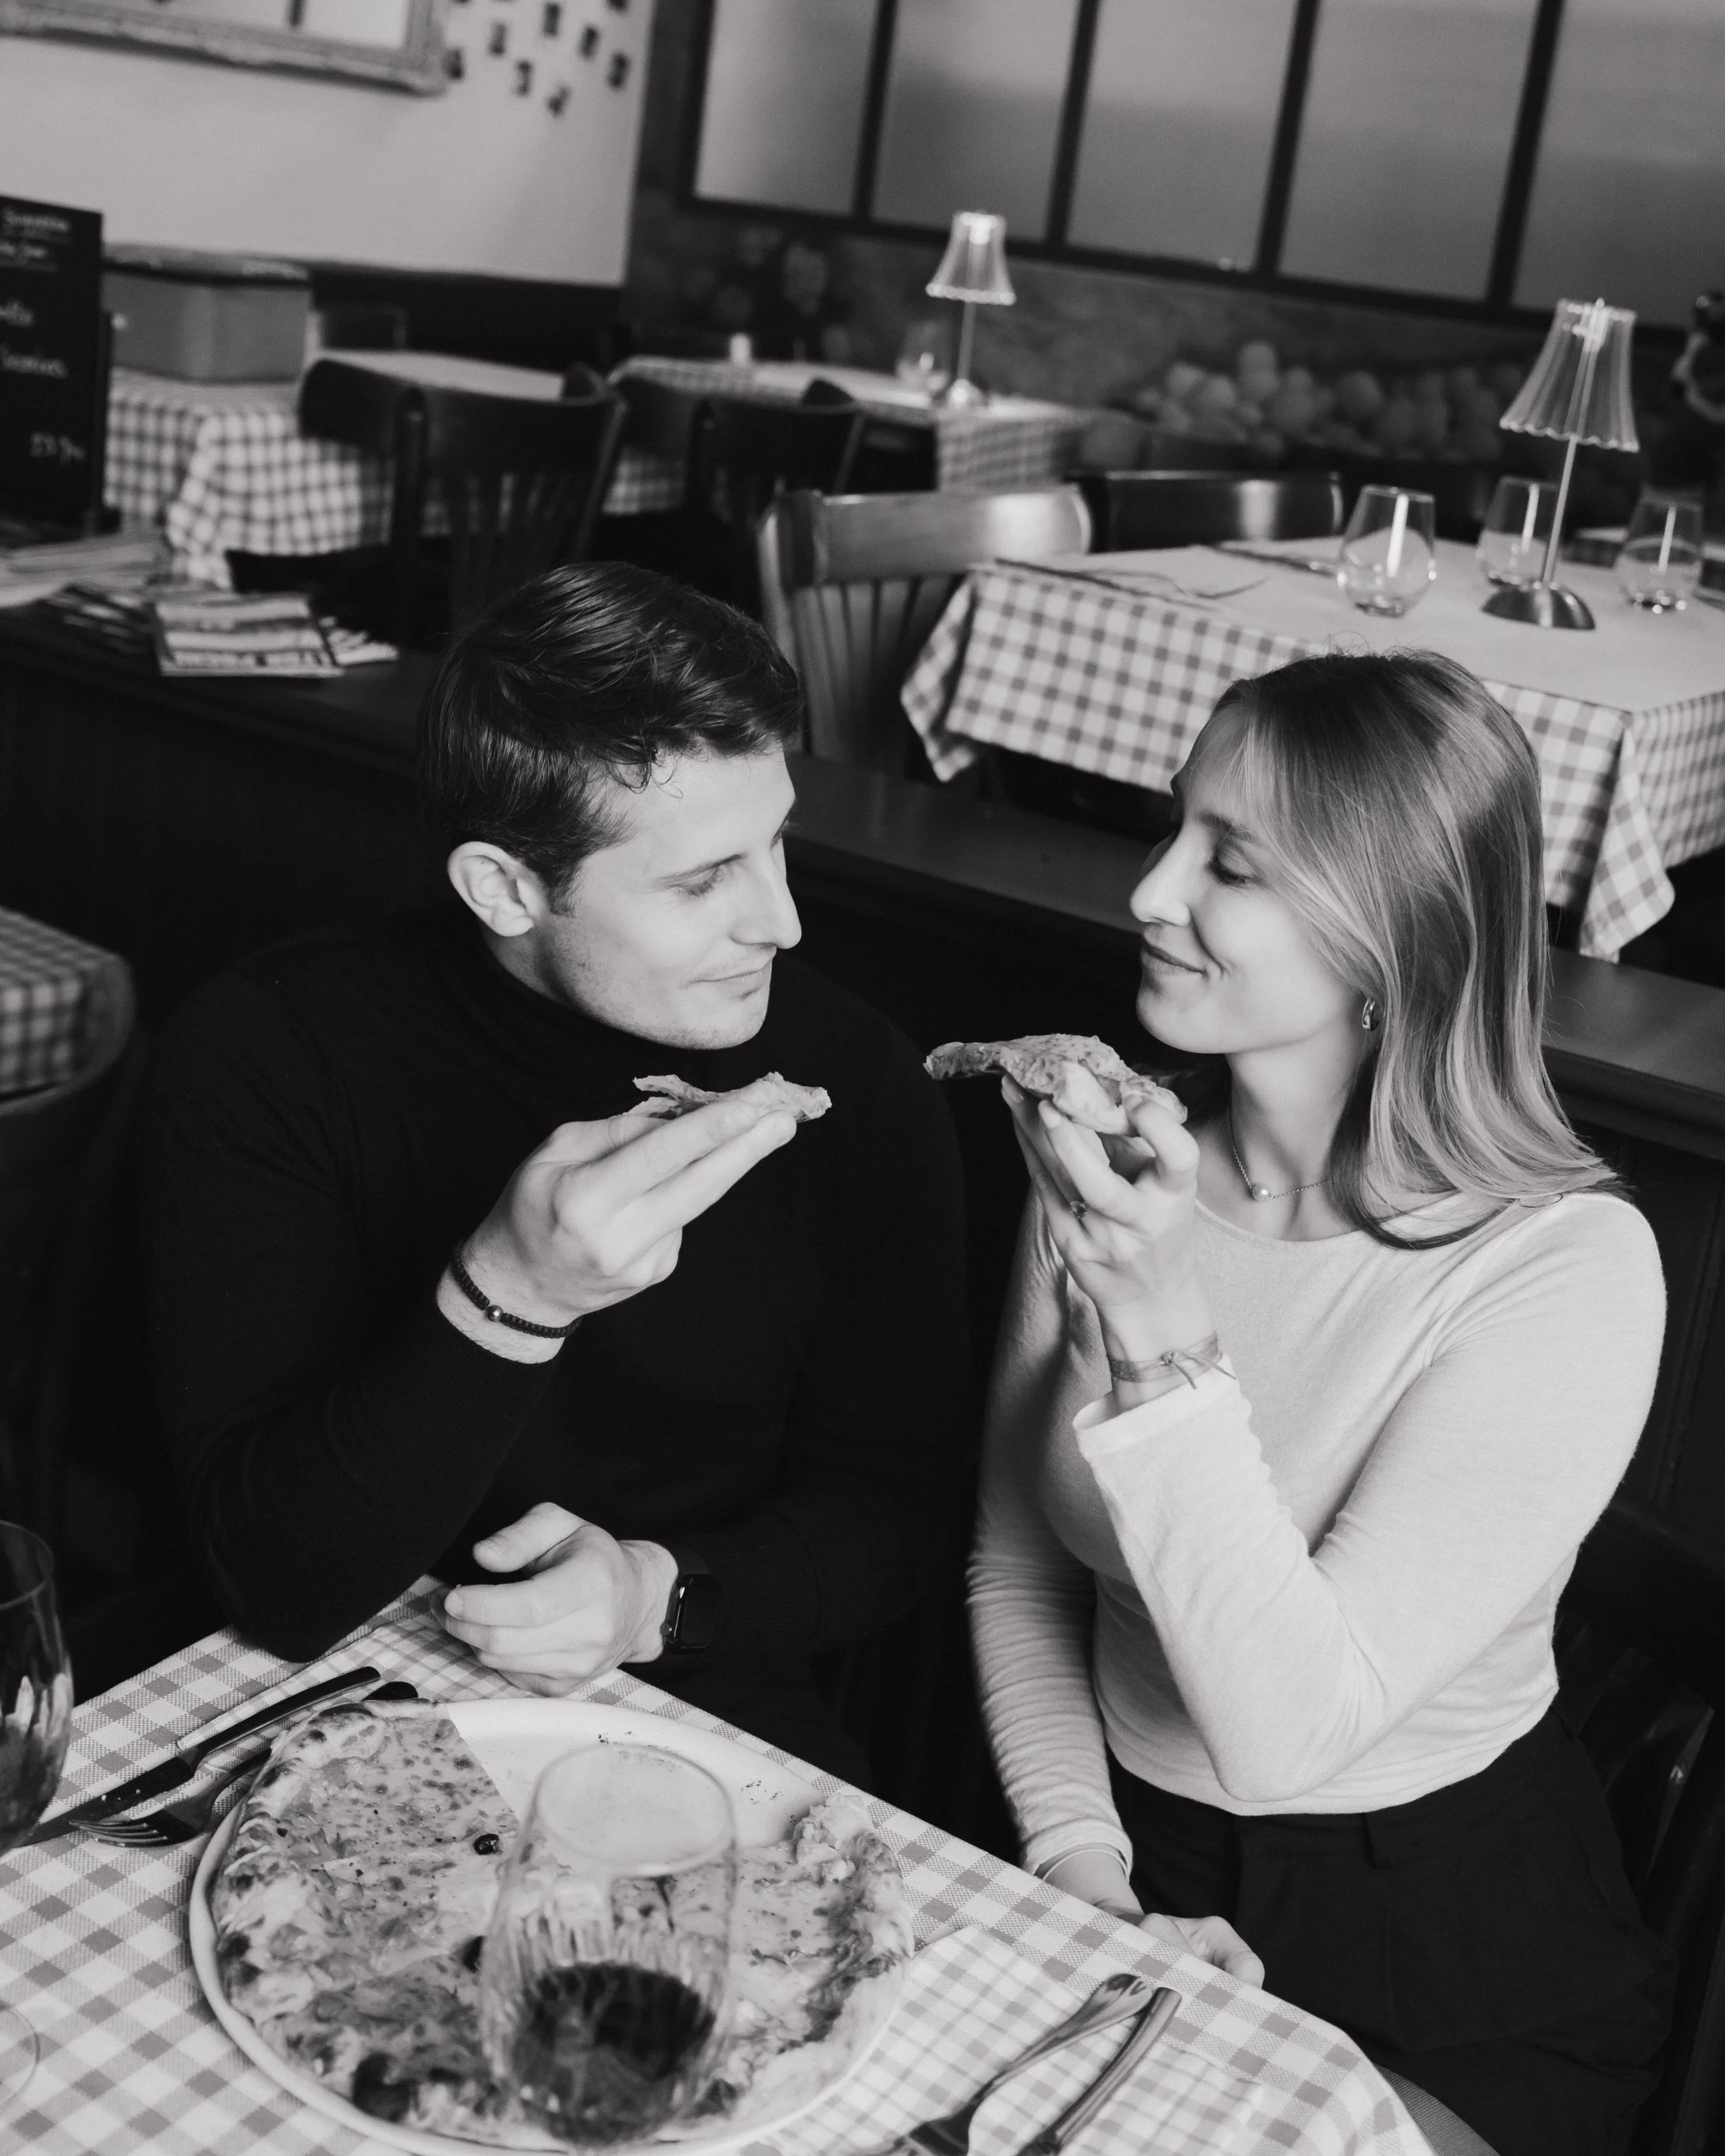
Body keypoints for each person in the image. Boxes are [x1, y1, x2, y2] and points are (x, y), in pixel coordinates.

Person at [969, 651, 1671, 2156]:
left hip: (1437, 1939)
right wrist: (1084, 1875)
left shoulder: (1564, 1268)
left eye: (1229, 865)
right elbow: (1018, 1568)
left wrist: (1158, 1331)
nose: (1150, 891)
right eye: (1173, 827)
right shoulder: (1118, 1159)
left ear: (1389, 931)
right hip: (1123, 1850)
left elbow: (1287, 1734)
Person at [144, 562, 967, 1783]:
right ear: (506, 889)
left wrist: (654, 1598)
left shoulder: (856, 1082)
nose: (783, 923)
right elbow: (276, 1586)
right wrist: (511, 1297)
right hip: (311, 1681)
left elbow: (896, 1511)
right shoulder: (269, 1054)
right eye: (701, 880)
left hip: (690, 1698)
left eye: (776, 844)